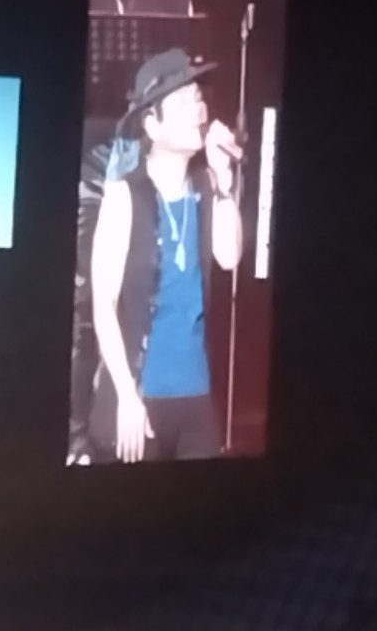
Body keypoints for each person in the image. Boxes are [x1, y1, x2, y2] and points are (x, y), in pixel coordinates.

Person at [87, 48, 243, 463]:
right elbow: (103, 306)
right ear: (152, 125)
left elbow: (229, 257)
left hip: (196, 395)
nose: (199, 110)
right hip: (140, 396)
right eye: (184, 101)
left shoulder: (207, 186)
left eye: (199, 98)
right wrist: (126, 395)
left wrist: (225, 183)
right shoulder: (124, 195)